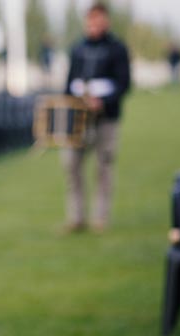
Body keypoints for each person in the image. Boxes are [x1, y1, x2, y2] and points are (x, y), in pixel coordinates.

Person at [62, 3, 131, 233]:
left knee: (103, 167)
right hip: (79, 119)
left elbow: (124, 84)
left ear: (106, 21)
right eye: (90, 20)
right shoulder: (78, 48)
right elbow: (69, 82)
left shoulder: (117, 48)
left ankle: (100, 218)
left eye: (98, 20)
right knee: (71, 165)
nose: (94, 25)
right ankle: (76, 217)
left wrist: (103, 101)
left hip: (106, 119)